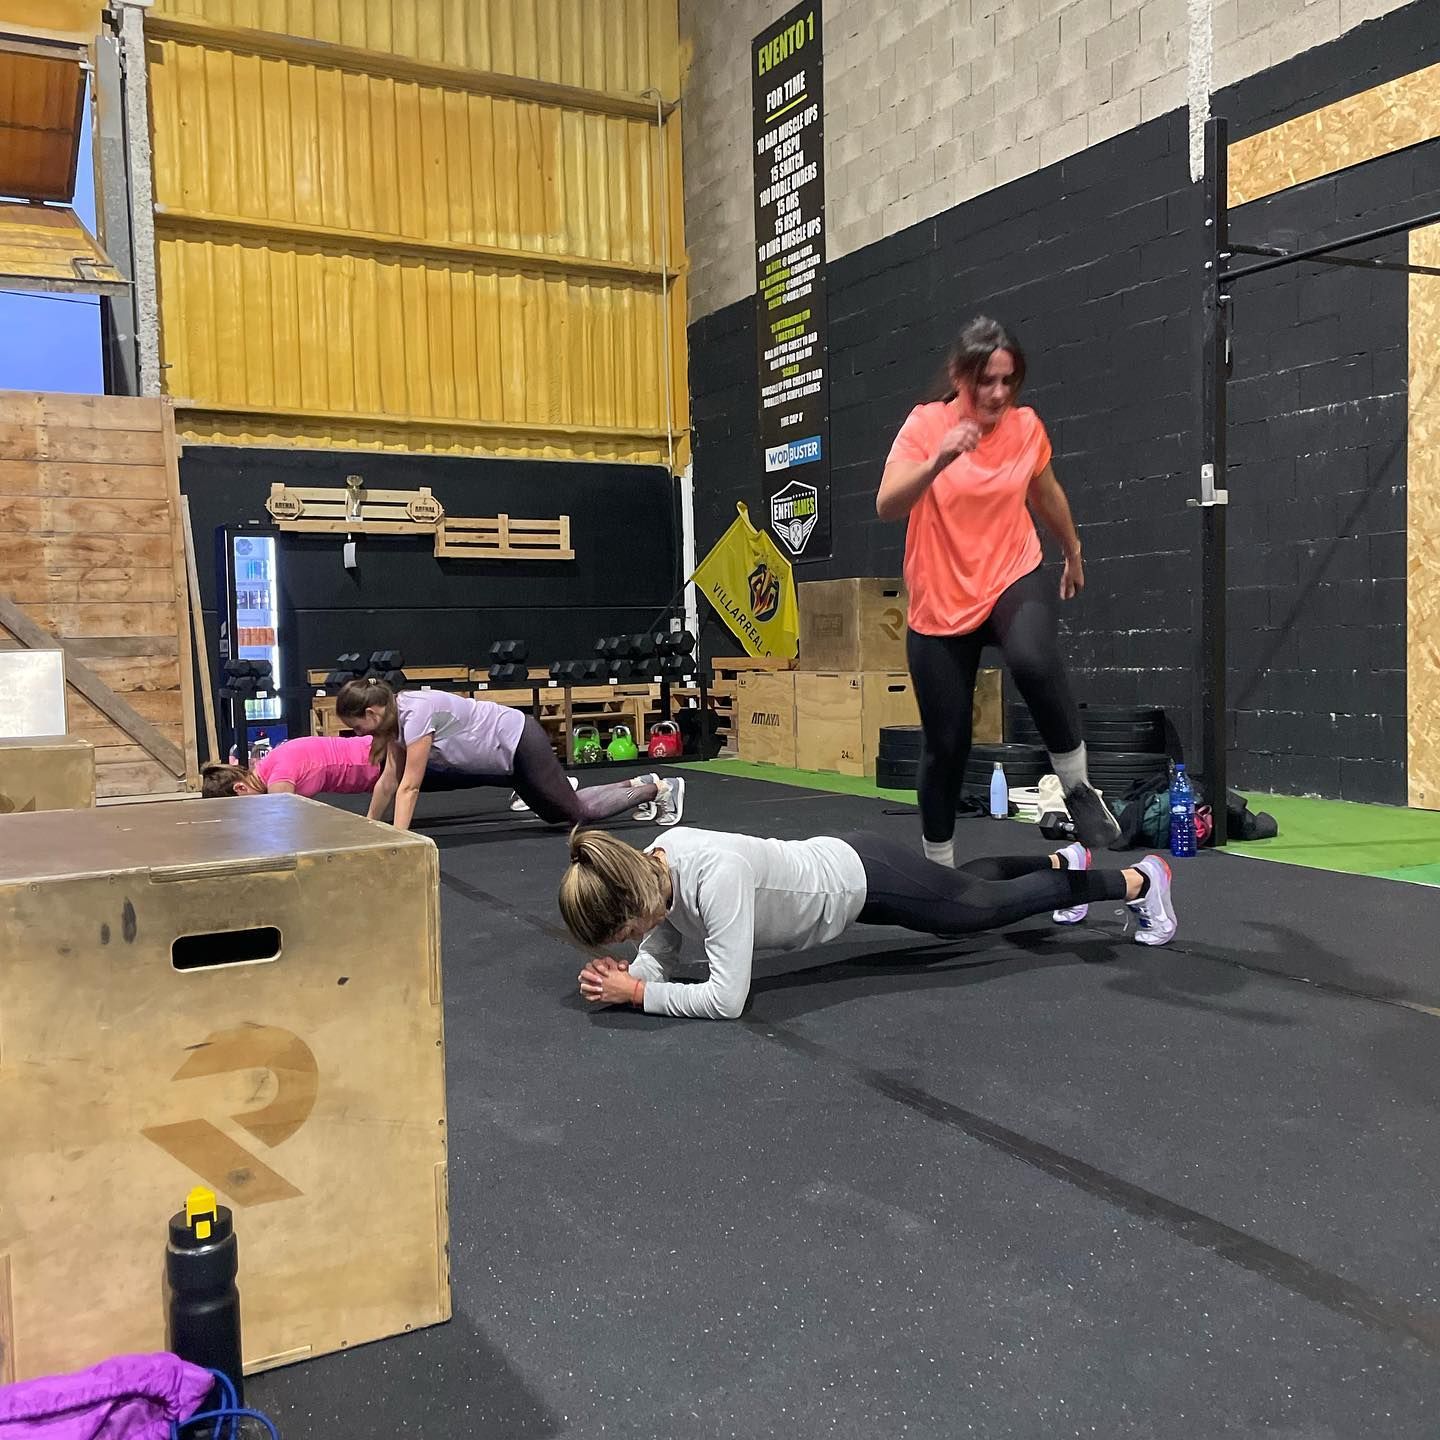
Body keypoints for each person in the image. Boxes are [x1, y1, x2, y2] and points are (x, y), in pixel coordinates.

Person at [876, 315, 1119, 862]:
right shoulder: (924, 425)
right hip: (941, 600)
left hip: (1012, 572)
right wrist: (939, 458)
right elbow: (888, 504)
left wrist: (1073, 550)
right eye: (986, 380)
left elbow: (1046, 493)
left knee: (1032, 658)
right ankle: (940, 870)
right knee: (946, 747)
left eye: (1008, 381)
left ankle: (1078, 789)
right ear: (960, 377)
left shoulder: (1025, 427)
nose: (998, 393)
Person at [560, 827, 1175, 1021]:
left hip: (860, 878)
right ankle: (1058, 862)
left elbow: (727, 999)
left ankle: (1141, 882)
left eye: (619, 933)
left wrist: (637, 992)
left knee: (978, 912)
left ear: (632, 895)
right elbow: (663, 943)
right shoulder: (655, 868)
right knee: (965, 892)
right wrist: (634, 970)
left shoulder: (711, 876)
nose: (628, 941)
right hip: (849, 873)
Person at [334, 678, 683, 834]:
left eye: (356, 725)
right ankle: (640, 783)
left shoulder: (416, 712)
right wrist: (370, 827)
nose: (358, 733)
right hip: (503, 760)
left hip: (518, 741)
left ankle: (661, 790)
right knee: (559, 813)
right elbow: (389, 780)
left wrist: (400, 843)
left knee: (578, 813)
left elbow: (409, 787)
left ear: (371, 712)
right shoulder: (395, 721)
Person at [200, 734, 381, 799]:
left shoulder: (278, 783)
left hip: (378, 761)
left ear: (240, 787)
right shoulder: (269, 764)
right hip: (373, 753)